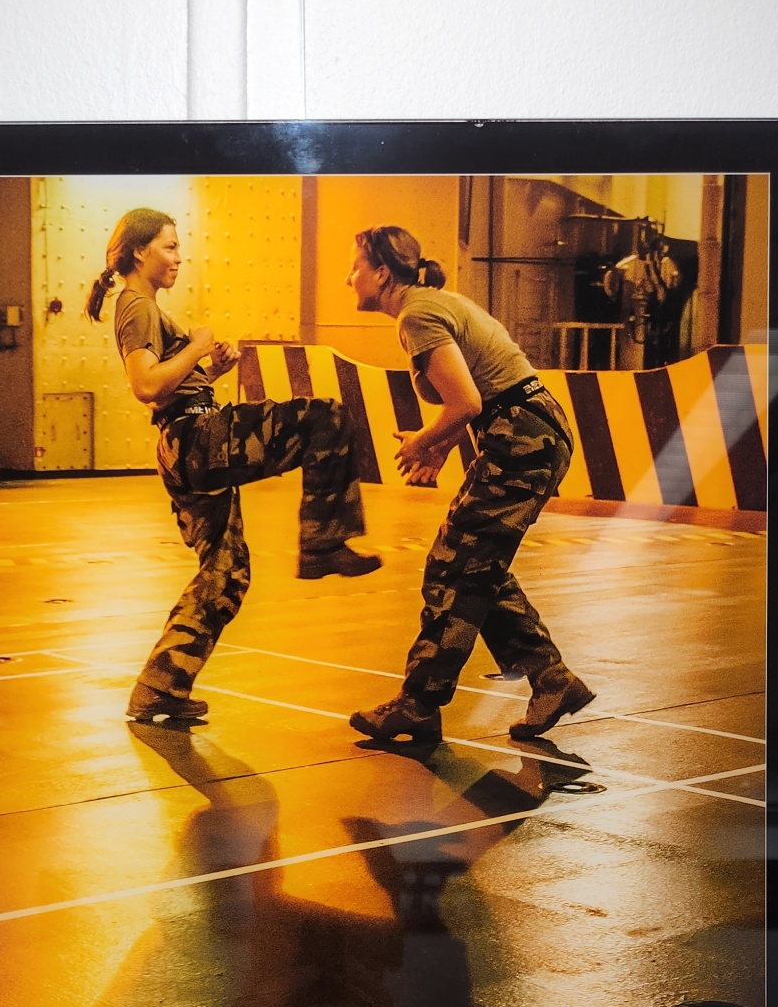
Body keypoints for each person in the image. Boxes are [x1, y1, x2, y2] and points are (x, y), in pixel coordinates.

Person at [85, 209, 380, 726]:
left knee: (226, 574)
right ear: (139, 252)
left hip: (187, 442)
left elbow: (169, 389)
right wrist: (198, 346)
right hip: (197, 440)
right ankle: (322, 545)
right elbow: (146, 385)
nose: (179, 257)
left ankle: (159, 686)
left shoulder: (143, 307)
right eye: (169, 247)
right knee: (327, 417)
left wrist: (210, 369)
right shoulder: (137, 307)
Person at [344, 226, 594, 744]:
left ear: (383, 274)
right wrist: (439, 447)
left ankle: (418, 702)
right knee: (476, 567)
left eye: (356, 268)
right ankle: (552, 680)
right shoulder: (432, 305)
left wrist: (422, 443)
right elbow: (479, 392)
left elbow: (467, 403)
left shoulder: (417, 315)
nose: (349, 279)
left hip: (522, 438)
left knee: (453, 566)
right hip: (527, 432)